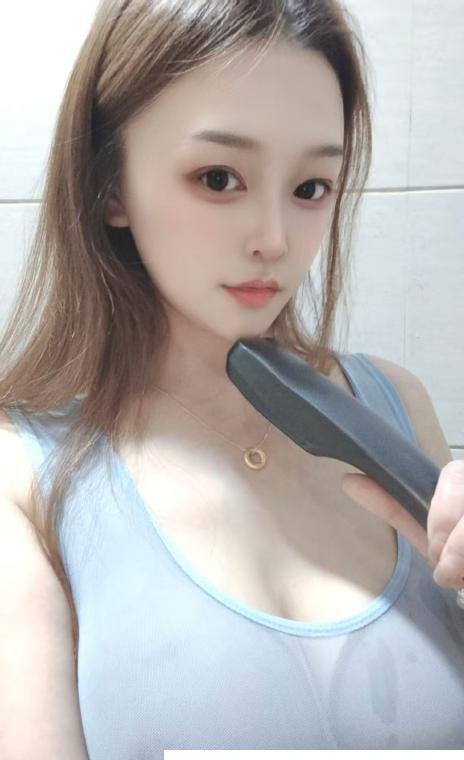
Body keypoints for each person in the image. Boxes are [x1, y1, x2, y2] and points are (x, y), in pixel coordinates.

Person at [0, 1, 463, 756]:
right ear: (109, 183)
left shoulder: (396, 408)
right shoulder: (22, 477)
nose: (275, 239)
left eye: (311, 187)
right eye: (219, 178)